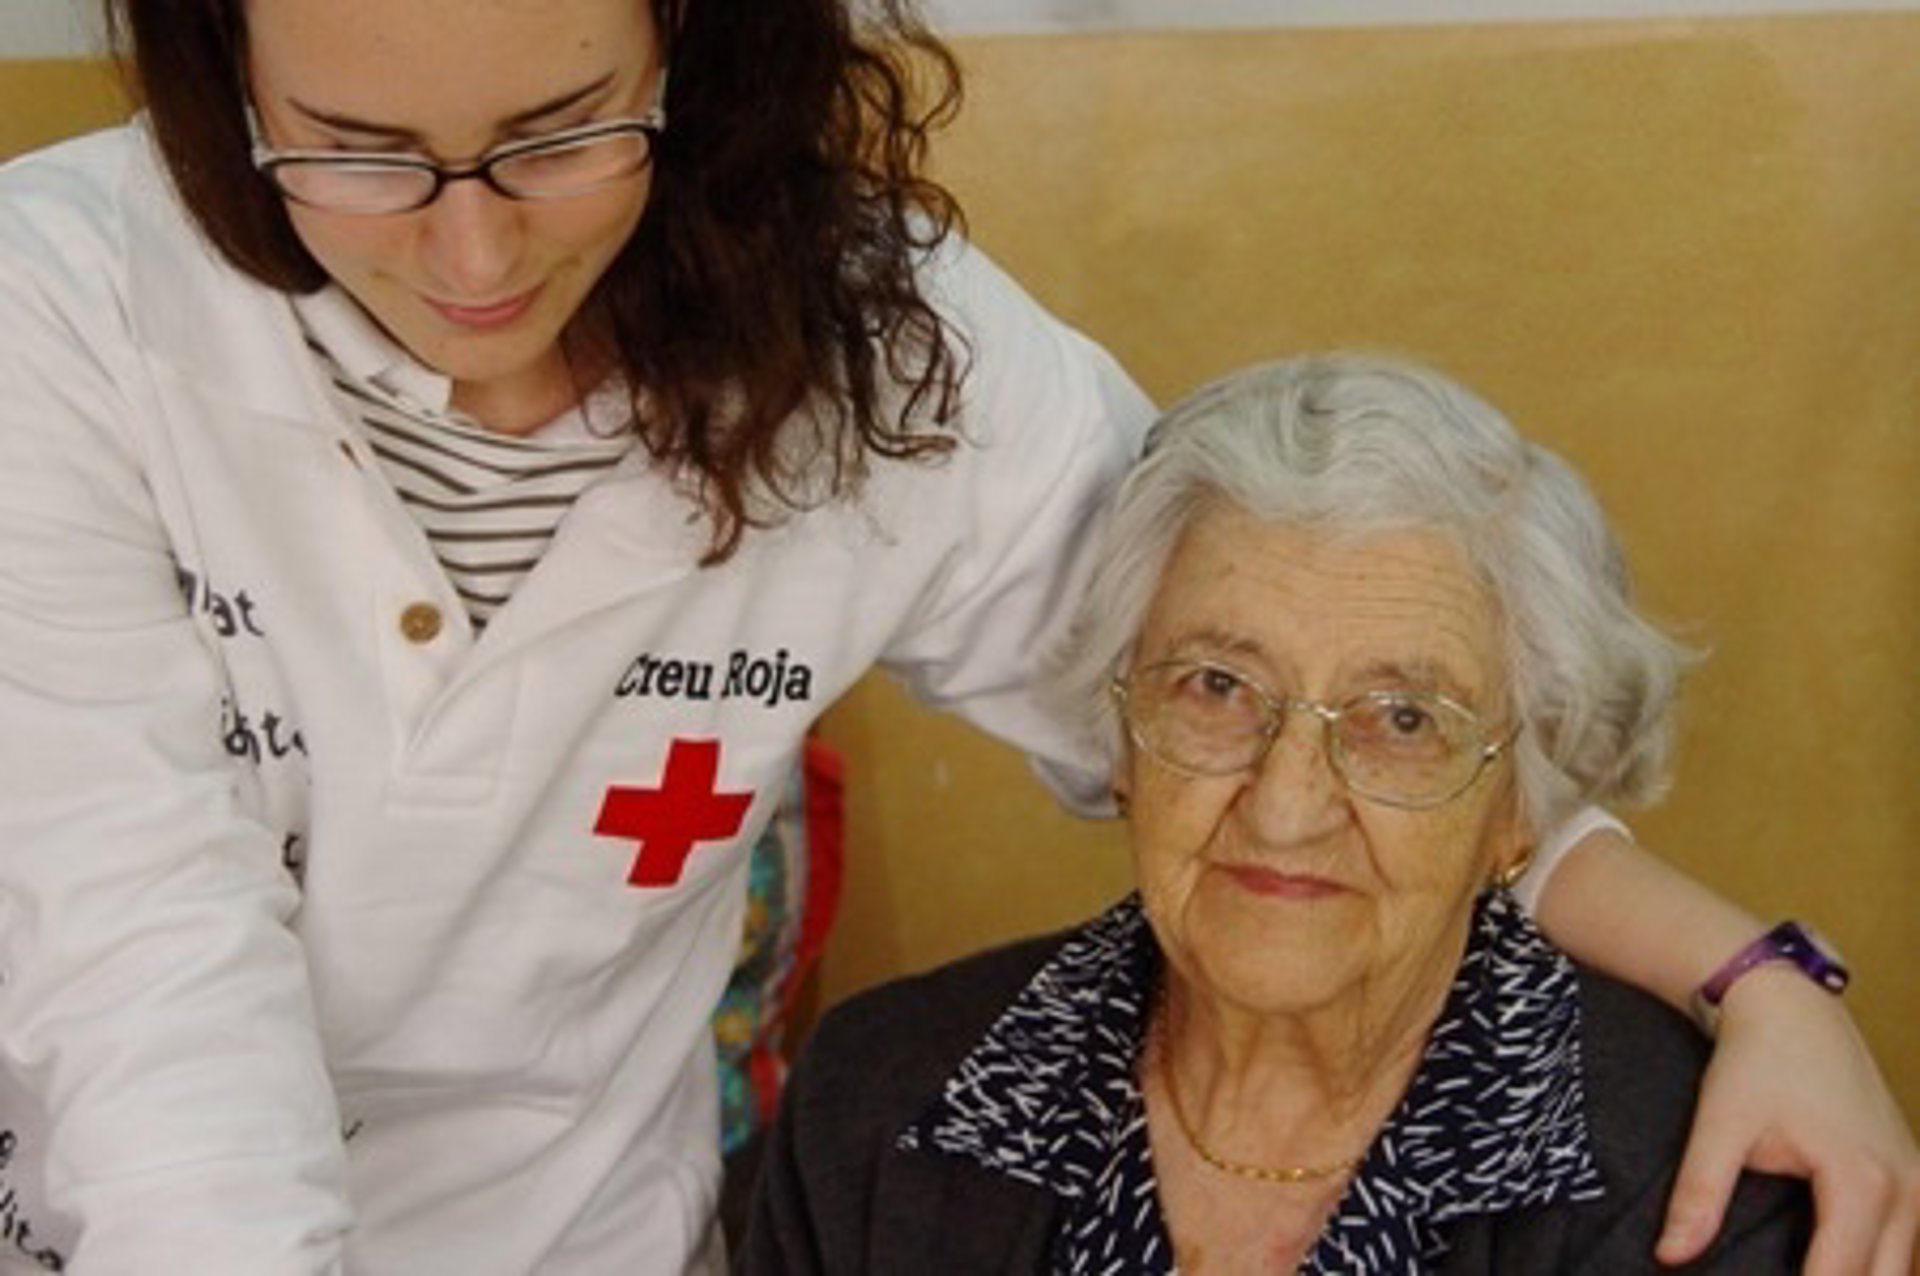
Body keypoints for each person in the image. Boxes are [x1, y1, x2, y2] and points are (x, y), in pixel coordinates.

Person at [0, 0, 1911, 1269]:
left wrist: (1758, 978)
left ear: (694, 51)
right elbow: (138, 958)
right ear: (218, 77)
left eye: (562, 134)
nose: (473, 252)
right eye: (354, 149)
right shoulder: (64, 319)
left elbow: (1285, 724)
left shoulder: (899, 361)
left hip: (564, 1231)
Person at [741, 354, 1817, 1273]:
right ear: (1119, 736)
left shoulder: (1692, 1189)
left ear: (1519, 810)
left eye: (1404, 718)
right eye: (1216, 686)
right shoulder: (877, 1104)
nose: (1288, 805)